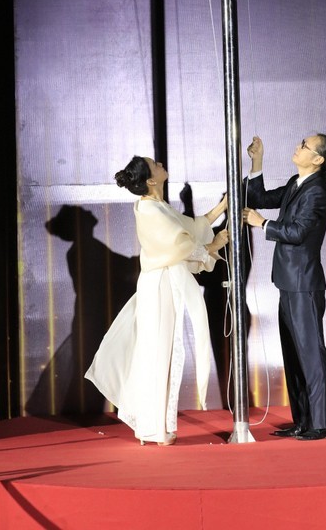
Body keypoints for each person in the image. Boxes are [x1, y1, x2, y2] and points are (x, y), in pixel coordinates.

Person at [85, 155, 228, 446]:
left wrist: (224, 206)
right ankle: (153, 427)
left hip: (165, 282)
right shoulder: (149, 209)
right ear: (151, 180)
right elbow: (180, 242)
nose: (161, 164)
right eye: (155, 164)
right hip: (160, 283)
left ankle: (157, 426)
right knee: (158, 352)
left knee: (164, 351)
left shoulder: (159, 206)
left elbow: (192, 225)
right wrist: (212, 246)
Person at [243, 133, 326, 441]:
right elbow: (260, 198)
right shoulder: (297, 184)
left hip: (304, 284)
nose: (297, 147)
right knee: (294, 354)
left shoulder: (317, 192)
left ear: (318, 159)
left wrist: (262, 224)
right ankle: (303, 421)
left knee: (311, 353)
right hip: (288, 282)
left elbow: (297, 232)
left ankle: (322, 424)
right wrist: (257, 162)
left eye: (305, 146)